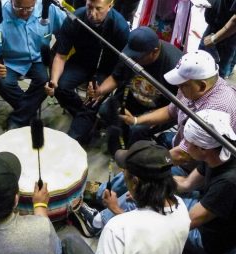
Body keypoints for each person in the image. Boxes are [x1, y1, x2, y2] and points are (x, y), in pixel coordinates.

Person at [99, 50, 236, 203]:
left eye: (182, 85)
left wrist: (139, 162)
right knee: (138, 160)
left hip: (192, 165)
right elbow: (171, 110)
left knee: (139, 182)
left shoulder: (215, 110)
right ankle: (104, 192)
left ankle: (106, 200)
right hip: (182, 146)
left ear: (201, 86)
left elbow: (183, 155)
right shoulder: (192, 87)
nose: (179, 89)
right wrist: (136, 120)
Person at [60, 140, 190, 254]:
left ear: (135, 182)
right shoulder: (181, 208)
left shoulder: (117, 229)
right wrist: (118, 208)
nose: (122, 172)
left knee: (68, 240)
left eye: (124, 171)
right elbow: (142, 234)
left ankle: (94, 223)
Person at [45, 0, 129, 144]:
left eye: (98, 9)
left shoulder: (120, 27)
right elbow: (60, 56)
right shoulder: (75, 18)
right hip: (81, 62)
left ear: (110, 6)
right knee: (61, 87)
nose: (92, 13)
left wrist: (101, 90)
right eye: (89, 7)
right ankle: (88, 117)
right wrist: (54, 81)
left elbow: (120, 71)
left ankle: (71, 142)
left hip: (106, 68)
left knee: (92, 101)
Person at [91, 26, 182, 148]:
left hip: (159, 109)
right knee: (106, 110)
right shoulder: (132, 54)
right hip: (131, 97)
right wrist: (99, 91)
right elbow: (116, 77)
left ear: (154, 51)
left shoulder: (175, 66)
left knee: (137, 130)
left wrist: (143, 120)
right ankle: (120, 139)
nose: (133, 60)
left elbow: (176, 108)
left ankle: (132, 155)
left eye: (138, 57)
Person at [0, 0, 66, 129]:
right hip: (11, 60)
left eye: (30, 8)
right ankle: (28, 114)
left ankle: (18, 119)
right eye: (19, 8)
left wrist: (57, 54)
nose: (25, 12)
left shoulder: (48, 9)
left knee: (46, 81)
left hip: (38, 58)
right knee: (3, 83)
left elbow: (67, 30)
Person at [175, 109, 236, 254]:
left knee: (144, 211)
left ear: (203, 149)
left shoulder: (228, 182)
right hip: (206, 206)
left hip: (210, 239)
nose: (185, 146)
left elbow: (183, 224)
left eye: (189, 143)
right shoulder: (218, 151)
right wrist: (153, 181)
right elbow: (186, 184)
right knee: (164, 175)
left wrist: (149, 197)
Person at [200, 0, 236, 78]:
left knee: (215, 74)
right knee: (200, 66)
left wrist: (214, 38)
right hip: (212, 28)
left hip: (223, 37)